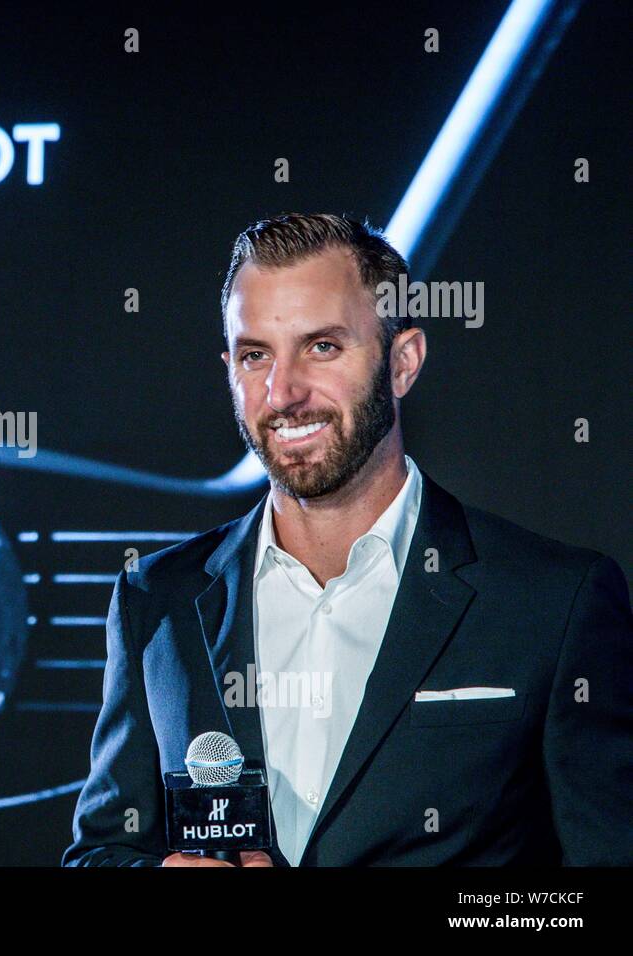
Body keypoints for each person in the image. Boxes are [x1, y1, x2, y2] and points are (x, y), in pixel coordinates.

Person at [62, 213, 632, 866]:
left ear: (403, 361)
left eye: (322, 346)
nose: (284, 392)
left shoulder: (552, 601)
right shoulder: (156, 598)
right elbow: (103, 851)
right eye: (255, 355)